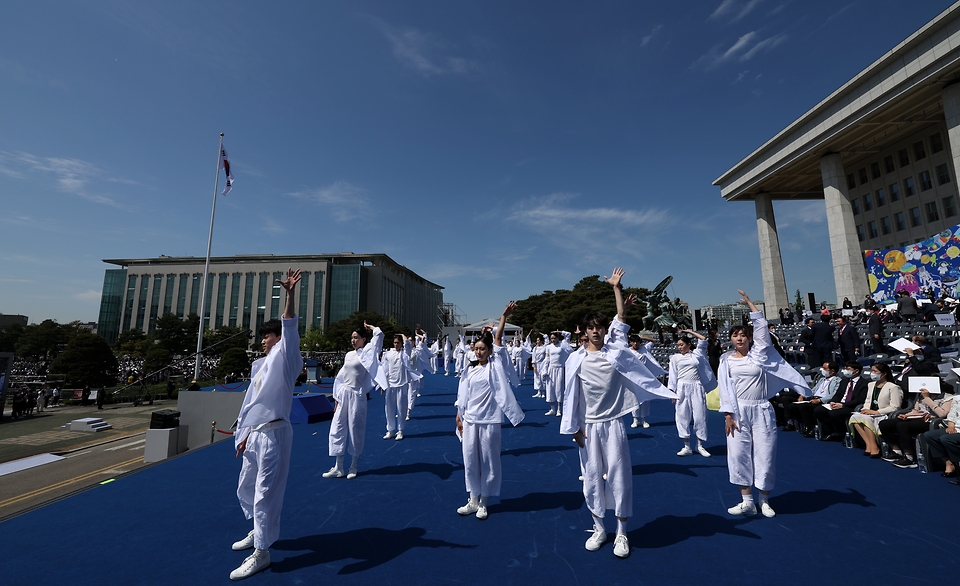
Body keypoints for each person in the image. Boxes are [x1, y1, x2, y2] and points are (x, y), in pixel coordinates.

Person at [561, 268, 675, 559]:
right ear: (584, 331)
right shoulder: (575, 359)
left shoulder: (616, 351)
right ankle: (599, 528)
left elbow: (621, 320)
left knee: (619, 477)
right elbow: (570, 396)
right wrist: (574, 428)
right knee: (591, 479)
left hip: (613, 425)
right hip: (588, 427)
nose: (596, 330)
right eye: (591, 327)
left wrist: (616, 288)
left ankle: (621, 533)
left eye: (600, 326)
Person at [230, 268, 304, 581]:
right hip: (255, 435)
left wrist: (290, 294)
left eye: (267, 335)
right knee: (246, 487)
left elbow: (289, 325)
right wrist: (243, 433)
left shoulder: (286, 358)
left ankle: (262, 552)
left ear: (278, 338)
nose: (262, 340)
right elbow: (250, 404)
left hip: (275, 433)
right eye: (261, 336)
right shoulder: (260, 366)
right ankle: (257, 530)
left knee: (265, 494)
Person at [719, 290, 810, 519]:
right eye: (735, 335)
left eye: (743, 335)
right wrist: (728, 415)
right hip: (738, 412)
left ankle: (765, 500)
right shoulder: (726, 360)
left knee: (765, 454)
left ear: (749, 338)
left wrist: (750, 303)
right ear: (730, 339)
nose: (739, 338)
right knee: (738, 455)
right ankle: (747, 501)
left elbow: (761, 329)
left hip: (761, 408)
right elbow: (725, 389)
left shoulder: (760, 354)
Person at [454, 303, 524, 520]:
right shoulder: (469, 370)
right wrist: (459, 416)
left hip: (490, 420)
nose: (478, 352)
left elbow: (498, 339)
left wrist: (503, 317)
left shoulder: (495, 365)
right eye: (475, 349)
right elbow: (463, 395)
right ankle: (472, 499)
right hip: (470, 420)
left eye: (482, 349)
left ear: (490, 351)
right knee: (470, 460)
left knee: (489, 460)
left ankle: (484, 501)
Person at [323, 321, 384, 480]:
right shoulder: (349, 355)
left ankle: (353, 466)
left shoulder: (368, 354)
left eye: (356, 337)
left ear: (364, 339)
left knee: (355, 429)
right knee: (337, 428)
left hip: (357, 396)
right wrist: (337, 398)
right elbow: (341, 377)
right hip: (344, 395)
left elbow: (378, 336)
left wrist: (371, 328)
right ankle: (339, 467)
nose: (353, 340)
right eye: (352, 338)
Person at [669, 329, 717, 457]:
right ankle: (687, 446)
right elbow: (673, 375)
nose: (679, 347)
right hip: (681, 388)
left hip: (696, 387)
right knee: (682, 415)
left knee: (700, 416)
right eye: (678, 345)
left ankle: (699, 446)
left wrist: (688, 331)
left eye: (682, 344)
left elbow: (703, 339)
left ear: (689, 344)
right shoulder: (675, 358)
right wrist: (671, 391)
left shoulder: (696, 354)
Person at [879, 385, 953, 468]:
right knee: (884, 424)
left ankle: (909, 457)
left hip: (931, 422)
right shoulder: (921, 395)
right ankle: (896, 451)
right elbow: (915, 411)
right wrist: (906, 415)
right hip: (916, 419)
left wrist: (927, 398)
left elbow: (942, 414)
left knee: (902, 426)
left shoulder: (947, 397)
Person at [847, 362, 903, 458]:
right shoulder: (871, 385)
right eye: (871, 370)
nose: (872, 373)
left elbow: (895, 406)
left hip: (883, 414)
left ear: (884, 373)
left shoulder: (893, 387)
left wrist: (876, 412)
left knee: (865, 419)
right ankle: (869, 444)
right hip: (870, 412)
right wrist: (865, 409)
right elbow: (868, 400)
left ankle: (874, 447)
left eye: (875, 371)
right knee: (855, 417)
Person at [376, 334, 421, 441]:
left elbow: (408, 345)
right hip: (391, 385)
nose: (396, 345)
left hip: (402, 385)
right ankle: (390, 430)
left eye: (398, 343)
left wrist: (402, 335)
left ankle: (400, 430)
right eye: (395, 342)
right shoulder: (388, 354)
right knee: (389, 409)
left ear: (401, 344)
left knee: (401, 409)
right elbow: (385, 369)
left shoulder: (405, 354)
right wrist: (383, 384)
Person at [785, 361, 840, 437]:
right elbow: (813, 390)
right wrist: (803, 395)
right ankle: (801, 424)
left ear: (832, 371)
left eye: (824, 368)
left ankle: (811, 428)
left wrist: (819, 400)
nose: (822, 370)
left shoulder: (837, 381)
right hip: (813, 398)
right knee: (792, 405)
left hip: (822, 401)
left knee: (804, 407)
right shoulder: (822, 379)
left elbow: (833, 395)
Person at [921, 399, 960, 482]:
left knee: (946, 439)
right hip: (956, 428)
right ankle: (948, 462)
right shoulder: (957, 397)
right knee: (929, 435)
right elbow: (952, 414)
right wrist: (951, 426)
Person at [544, 328, 572, 417]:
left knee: (559, 388)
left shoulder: (562, 345)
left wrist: (558, 332)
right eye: (551, 338)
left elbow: (568, 334)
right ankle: (552, 408)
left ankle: (559, 409)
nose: (553, 340)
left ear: (557, 338)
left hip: (559, 369)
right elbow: (547, 359)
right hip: (551, 369)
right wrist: (545, 370)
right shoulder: (548, 347)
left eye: (554, 338)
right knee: (550, 388)